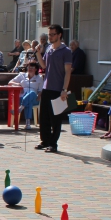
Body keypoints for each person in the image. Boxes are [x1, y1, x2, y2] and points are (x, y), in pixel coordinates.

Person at [35, 24, 72, 153]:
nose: (50, 37)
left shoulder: (66, 51)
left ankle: (53, 144)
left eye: (52, 34)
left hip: (58, 89)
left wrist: (64, 90)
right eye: (49, 34)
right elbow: (44, 65)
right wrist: (38, 53)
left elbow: (68, 72)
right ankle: (44, 141)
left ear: (59, 35)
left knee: (55, 118)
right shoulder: (49, 49)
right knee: (44, 116)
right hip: (46, 87)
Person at [9, 62, 44, 129]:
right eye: (29, 67)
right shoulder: (22, 75)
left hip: (35, 98)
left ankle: (20, 109)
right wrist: (19, 85)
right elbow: (10, 82)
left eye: (32, 67)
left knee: (32, 93)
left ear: (36, 69)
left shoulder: (39, 77)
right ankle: (27, 124)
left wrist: (39, 95)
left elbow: (41, 90)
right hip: (22, 97)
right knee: (28, 102)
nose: (30, 69)